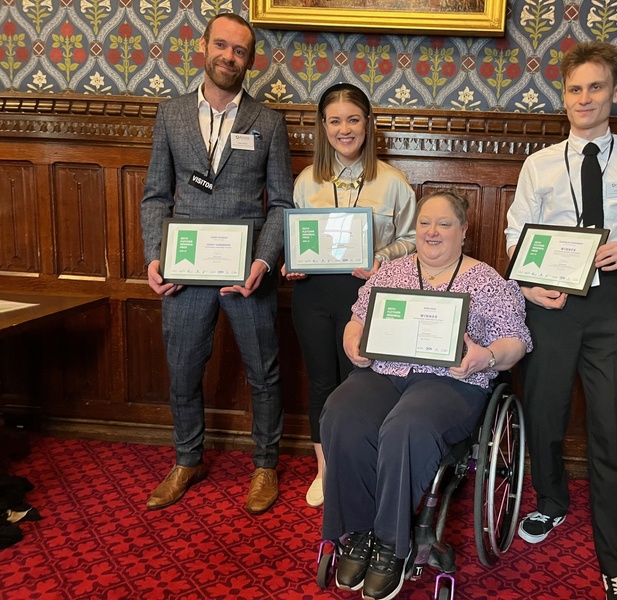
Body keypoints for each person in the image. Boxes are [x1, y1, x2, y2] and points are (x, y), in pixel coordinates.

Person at [505, 42, 617, 600]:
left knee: (612, 427)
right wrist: (530, 286)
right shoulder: (539, 164)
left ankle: (616, 559)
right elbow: (514, 234)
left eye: (595, 87)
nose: (584, 98)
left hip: (611, 305)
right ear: (564, 95)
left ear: (615, 92)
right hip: (550, 304)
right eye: (575, 88)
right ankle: (551, 502)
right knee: (544, 415)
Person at [321, 190, 532, 600]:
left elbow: (517, 341)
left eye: (444, 224)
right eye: (424, 223)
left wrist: (486, 356)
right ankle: (360, 532)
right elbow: (356, 321)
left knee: (408, 425)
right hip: (386, 374)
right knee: (342, 411)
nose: (432, 231)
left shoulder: (488, 281)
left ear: (463, 231)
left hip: (452, 382)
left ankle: (391, 543)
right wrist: (352, 342)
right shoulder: (391, 272)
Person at [139, 13, 294, 515]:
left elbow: (282, 205)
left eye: (240, 51)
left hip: (247, 271)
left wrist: (265, 261)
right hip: (184, 270)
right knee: (183, 369)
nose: (229, 56)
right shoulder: (171, 114)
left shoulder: (268, 122)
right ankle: (187, 460)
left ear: (250, 60)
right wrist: (155, 256)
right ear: (203, 46)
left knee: (263, 372)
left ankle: (265, 464)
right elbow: (156, 195)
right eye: (222, 45)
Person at [286, 82, 416, 508]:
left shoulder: (393, 182)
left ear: (368, 123)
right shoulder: (307, 181)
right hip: (313, 294)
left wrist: (381, 257)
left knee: (361, 383)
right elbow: (299, 238)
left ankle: (360, 466)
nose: (345, 129)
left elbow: (412, 239)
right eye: (335, 121)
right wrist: (292, 261)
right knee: (322, 382)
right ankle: (326, 471)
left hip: (367, 295)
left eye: (353, 119)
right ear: (323, 126)